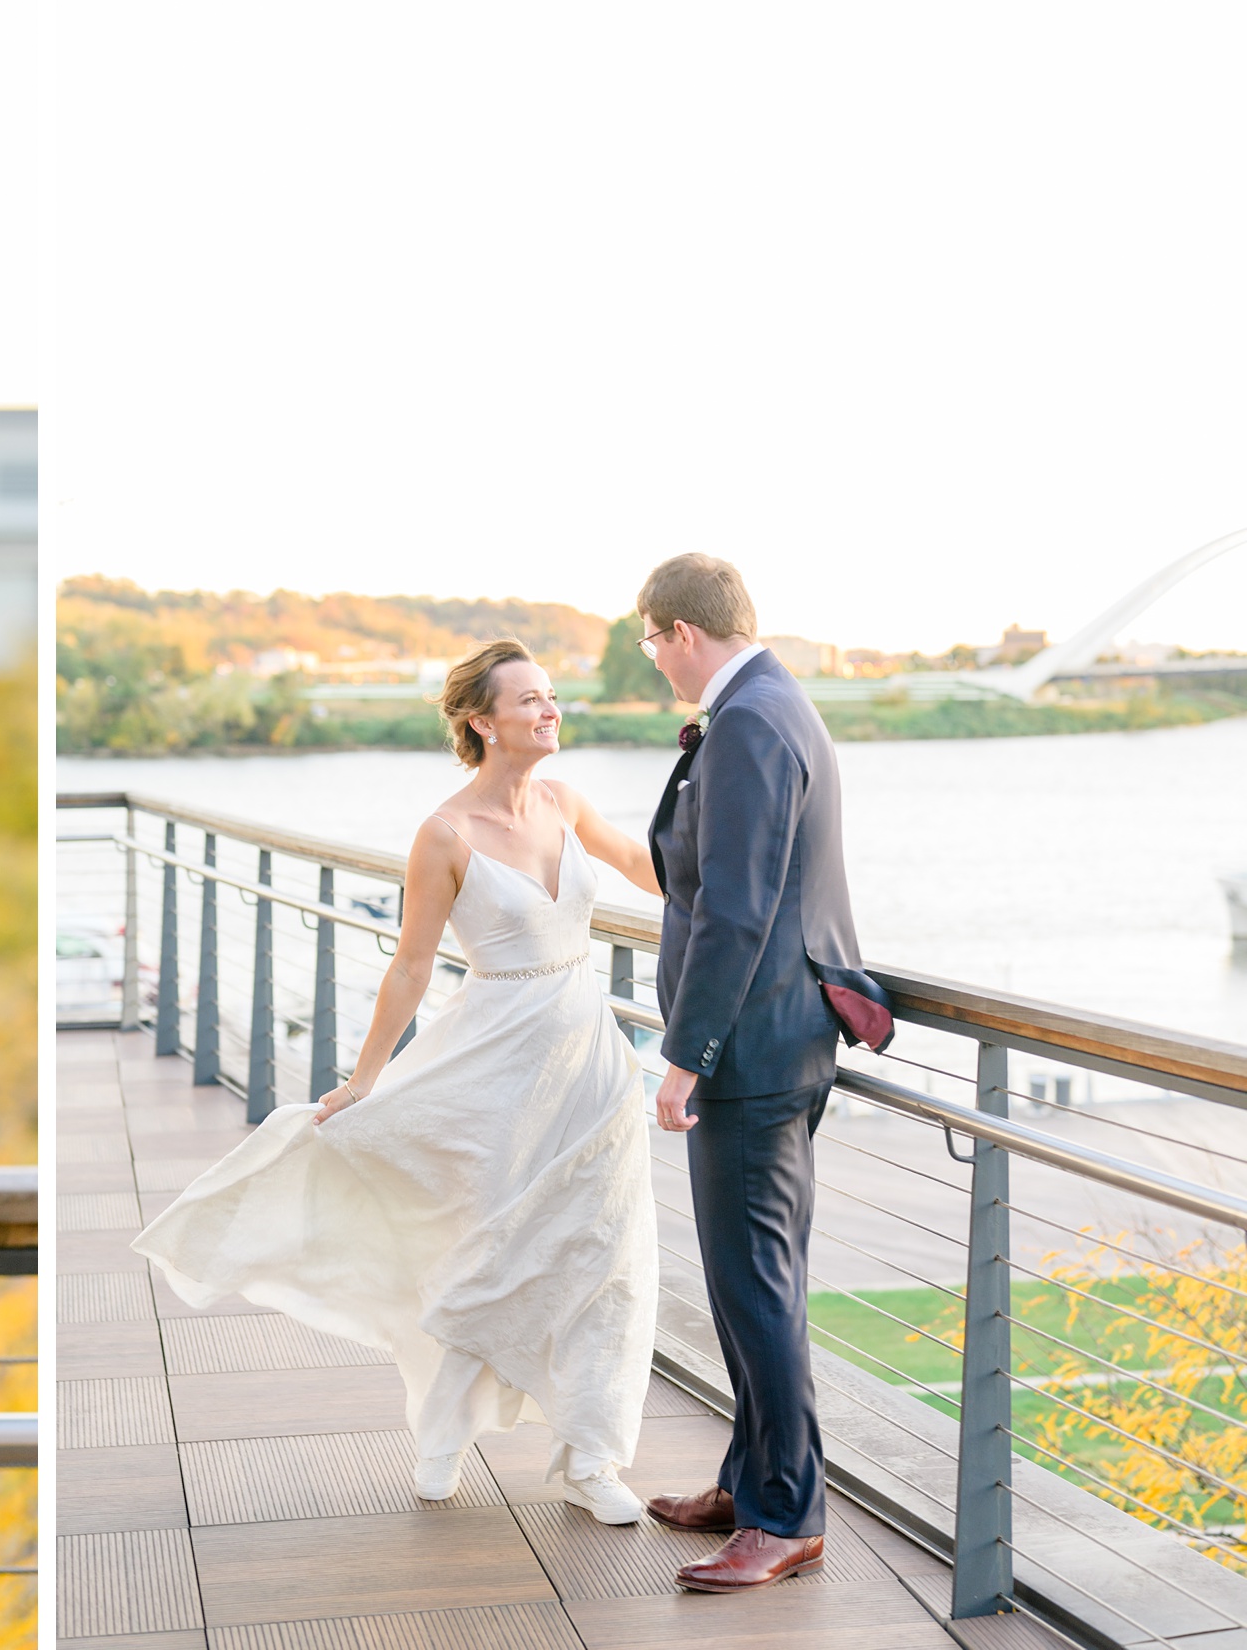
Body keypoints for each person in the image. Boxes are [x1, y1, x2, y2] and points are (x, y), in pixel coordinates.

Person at [132, 639, 663, 1523]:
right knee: (489, 1258)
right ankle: (443, 1434)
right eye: (528, 701)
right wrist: (362, 1080)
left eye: (552, 696)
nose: (548, 711)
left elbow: (651, 871)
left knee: (609, 1261)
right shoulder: (444, 834)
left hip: (594, 1070)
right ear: (479, 722)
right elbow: (411, 969)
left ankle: (591, 1459)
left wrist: (741, 879)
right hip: (494, 1066)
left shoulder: (568, 803)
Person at [634, 553, 893, 1595]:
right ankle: (751, 1479)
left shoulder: (747, 722)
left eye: (652, 642)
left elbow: (737, 909)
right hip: (780, 1033)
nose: (654, 661)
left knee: (755, 1283)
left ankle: (786, 1514)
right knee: (749, 1282)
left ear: (680, 630)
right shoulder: (775, 706)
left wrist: (683, 1057)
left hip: (749, 1046)